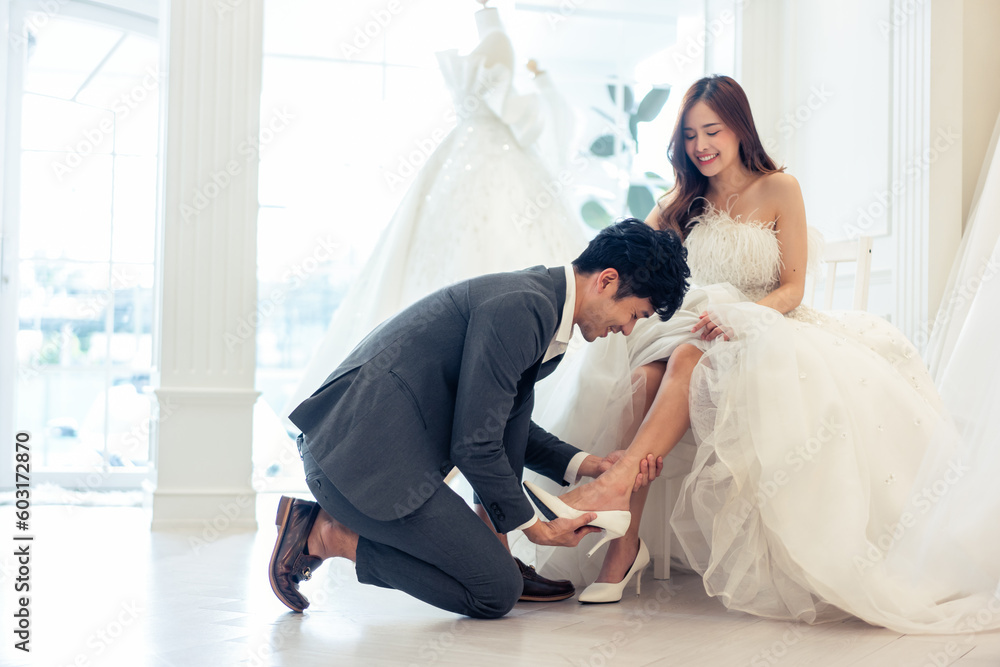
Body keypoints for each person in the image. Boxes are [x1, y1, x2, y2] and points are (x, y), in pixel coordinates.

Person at [531, 75, 1000, 634]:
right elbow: (628, 255)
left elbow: (793, 288)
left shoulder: (780, 188)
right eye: (689, 135)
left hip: (763, 324)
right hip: (691, 327)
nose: (701, 145)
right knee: (644, 380)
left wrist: (741, 317)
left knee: (684, 359)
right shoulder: (679, 200)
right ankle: (624, 544)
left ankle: (613, 491)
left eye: (713, 130)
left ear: (738, 128)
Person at [267, 219, 690, 619]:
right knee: (494, 593)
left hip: (368, 459)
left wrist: (586, 463)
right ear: (607, 280)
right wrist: (534, 528)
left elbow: (499, 422)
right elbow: (474, 444)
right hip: (358, 466)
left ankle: (491, 558)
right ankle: (326, 534)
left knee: (496, 578)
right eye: (635, 314)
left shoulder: (541, 306)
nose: (629, 329)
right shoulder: (524, 308)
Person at [283, 4, 587, 418]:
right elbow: (519, 112)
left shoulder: (497, 39)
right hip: (467, 158)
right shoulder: (493, 39)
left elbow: (512, 108)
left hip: (480, 155)